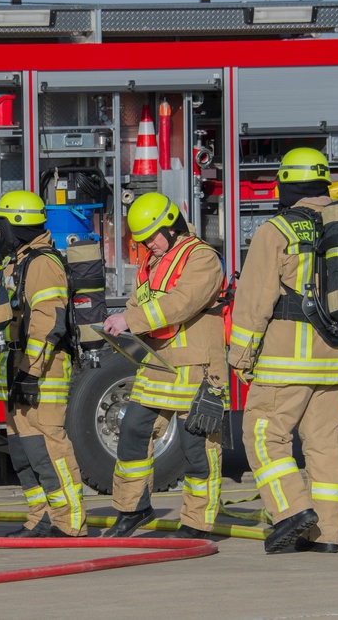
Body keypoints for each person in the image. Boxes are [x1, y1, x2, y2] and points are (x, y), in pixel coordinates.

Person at [227, 147, 338, 554]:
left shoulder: (276, 230)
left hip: (285, 360)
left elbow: (254, 300)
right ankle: (327, 535)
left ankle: (291, 510)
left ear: (286, 183)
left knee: (263, 435)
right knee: (325, 446)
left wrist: (240, 357)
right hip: (334, 359)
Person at [101, 192, 227, 539]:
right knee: (132, 433)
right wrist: (121, 323)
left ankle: (196, 524)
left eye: (153, 237)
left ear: (171, 226)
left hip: (198, 369)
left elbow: (181, 304)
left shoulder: (202, 259)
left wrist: (130, 319)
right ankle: (134, 509)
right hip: (159, 366)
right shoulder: (152, 263)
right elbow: (138, 302)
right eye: (142, 240)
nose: (149, 245)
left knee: (197, 449)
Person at [0, 190, 87, 538]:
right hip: (21, 371)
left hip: (43, 372)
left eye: (2, 226)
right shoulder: (19, 262)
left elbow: (47, 321)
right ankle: (41, 516)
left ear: (17, 226)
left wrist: (30, 372)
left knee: (49, 448)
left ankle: (69, 522)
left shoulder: (42, 263)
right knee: (25, 451)